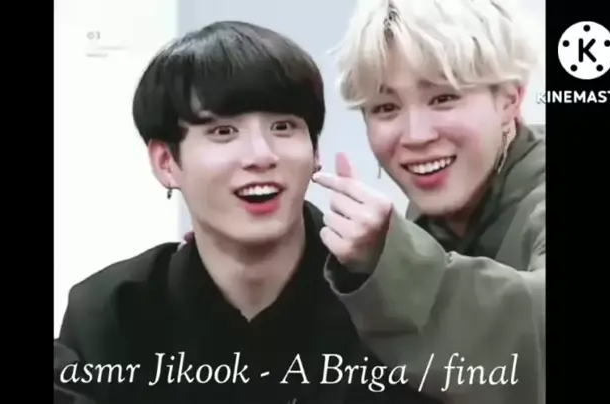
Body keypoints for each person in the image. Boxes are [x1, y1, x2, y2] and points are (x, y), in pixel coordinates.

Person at [53, 21, 439, 404]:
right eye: (223, 132)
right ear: (166, 162)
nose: (261, 155)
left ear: (315, 151)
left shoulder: (391, 302)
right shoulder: (111, 313)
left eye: (283, 127)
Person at [309, 0, 546, 403]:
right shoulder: (431, 217)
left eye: (443, 98)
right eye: (386, 107)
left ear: (510, 99)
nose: (416, 135)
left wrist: (391, 258)